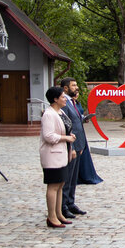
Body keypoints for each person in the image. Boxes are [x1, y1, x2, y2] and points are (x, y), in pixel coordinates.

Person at [40, 86, 77, 228]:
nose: (65, 99)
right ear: (55, 99)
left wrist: (70, 138)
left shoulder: (60, 112)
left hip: (62, 153)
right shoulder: (49, 114)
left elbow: (67, 128)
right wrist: (66, 138)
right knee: (53, 185)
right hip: (52, 155)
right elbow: (49, 136)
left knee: (60, 184)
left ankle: (59, 213)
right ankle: (51, 216)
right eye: (62, 97)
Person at [59, 77, 87, 219]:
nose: (77, 88)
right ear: (65, 88)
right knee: (68, 177)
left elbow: (77, 122)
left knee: (74, 177)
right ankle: (63, 205)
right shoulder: (64, 103)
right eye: (74, 85)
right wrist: (73, 147)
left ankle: (71, 202)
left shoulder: (72, 102)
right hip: (71, 146)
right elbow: (68, 126)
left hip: (78, 144)